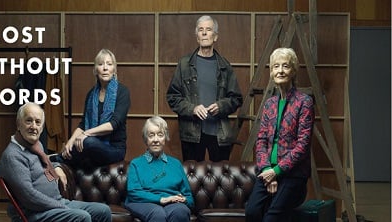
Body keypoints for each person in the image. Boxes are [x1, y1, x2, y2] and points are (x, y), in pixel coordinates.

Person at [0, 102, 112, 222]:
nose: (34, 126)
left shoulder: (35, 146)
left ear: (41, 127)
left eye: (38, 122)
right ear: (18, 124)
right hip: (34, 213)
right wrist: (62, 207)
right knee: (83, 217)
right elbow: (29, 197)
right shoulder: (13, 155)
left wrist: (56, 167)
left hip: (56, 203)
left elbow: (43, 167)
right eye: (28, 121)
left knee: (103, 211)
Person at [245, 48, 315, 222]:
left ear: (293, 71)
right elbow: (261, 140)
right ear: (271, 72)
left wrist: (276, 171)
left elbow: (303, 145)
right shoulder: (269, 104)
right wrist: (267, 169)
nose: (280, 70)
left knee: (272, 218)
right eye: (276, 66)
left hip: (293, 174)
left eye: (285, 66)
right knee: (252, 212)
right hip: (268, 170)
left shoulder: (304, 102)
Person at [166, 15, 243, 162]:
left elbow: (236, 98)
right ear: (197, 37)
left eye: (208, 29)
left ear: (215, 36)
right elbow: (172, 97)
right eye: (201, 30)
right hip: (192, 133)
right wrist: (192, 109)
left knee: (220, 178)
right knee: (192, 177)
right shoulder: (184, 64)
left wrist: (221, 106)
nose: (204, 33)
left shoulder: (225, 66)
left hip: (219, 133)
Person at [58, 49, 131, 169]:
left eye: (109, 64)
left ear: (114, 69)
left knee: (87, 142)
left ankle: (60, 158)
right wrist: (70, 141)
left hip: (114, 150)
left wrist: (86, 133)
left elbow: (113, 125)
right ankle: (60, 159)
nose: (105, 68)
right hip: (93, 146)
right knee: (76, 145)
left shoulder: (122, 92)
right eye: (101, 64)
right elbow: (82, 124)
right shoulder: (91, 94)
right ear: (95, 70)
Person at [125, 116, 194, 222]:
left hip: (172, 203)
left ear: (165, 138)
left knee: (180, 211)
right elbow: (133, 193)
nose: (156, 140)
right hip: (143, 203)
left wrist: (184, 200)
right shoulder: (136, 163)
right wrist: (161, 199)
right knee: (158, 213)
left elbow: (189, 197)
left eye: (160, 135)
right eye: (151, 135)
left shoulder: (175, 164)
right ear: (145, 139)